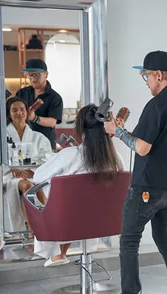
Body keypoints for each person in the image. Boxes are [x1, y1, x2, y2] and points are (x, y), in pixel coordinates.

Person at [103, 50, 167, 294]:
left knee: (129, 241)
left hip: (147, 186)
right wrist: (124, 130)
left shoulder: (156, 105)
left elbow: (142, 147)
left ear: (158, 75)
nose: (145, 80)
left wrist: (116, 131)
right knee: (164, 238)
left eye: (145, 75)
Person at [31, 104, 125, 266]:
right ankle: (61, 252)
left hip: (71, 223)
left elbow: (38, 176)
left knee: (41, 186)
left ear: (81, 128)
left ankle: (57, 251)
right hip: (106, 222)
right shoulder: (116, 159)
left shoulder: (70, 155)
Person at [3, 97, 52, 236]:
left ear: (26, 112)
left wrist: (30, 171)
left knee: (37, 186)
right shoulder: (1, 137)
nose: (19, 113)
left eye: (22, 110)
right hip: (8, 177)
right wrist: (10, 167)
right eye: (14, 110)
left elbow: (47, 159)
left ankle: (46, 222)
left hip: (32, 175)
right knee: (28, 186)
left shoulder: (39, 137)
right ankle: (34, 229)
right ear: (9, 113)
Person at [15, 59, 63, 150]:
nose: (33, 79)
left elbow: (52, 122)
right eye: (29, 76)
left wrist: (35, 118)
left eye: (36, 75)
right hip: (24, 143)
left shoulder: (55, 97)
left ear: (46, 74)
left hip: (45, 144)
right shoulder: (22, 93)